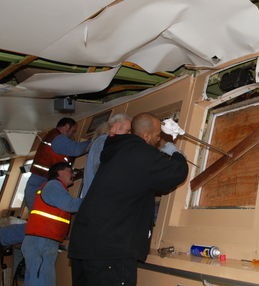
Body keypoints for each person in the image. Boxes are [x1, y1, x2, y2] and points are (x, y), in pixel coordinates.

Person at [68, 112, 188, 286]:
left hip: (84, 244)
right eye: (157, 136)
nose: (158, 141)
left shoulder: (115, 152)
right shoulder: (141, 153)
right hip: (110, 249)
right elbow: (175, 173)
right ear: (146, 136)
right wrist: (177, 155)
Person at [0, 117, 90, 260]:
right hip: (38, 186)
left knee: (38, 226)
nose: (73, 135)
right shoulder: (57, 139)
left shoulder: (55, 142)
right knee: (38, 227)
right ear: (66, 126)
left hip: (37, 185)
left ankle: (0, 237)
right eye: (73, 131)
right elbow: (76, 149)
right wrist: (96, 140)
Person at [22, 162, 82, 286]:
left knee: (35, 280)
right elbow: (70, 205)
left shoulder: (53, 187)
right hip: (42, 242)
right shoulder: (54, 185)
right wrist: (92, 200)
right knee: (42, 281)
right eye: (70, 171)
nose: (73, 174)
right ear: (59, 172)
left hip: (39, 241)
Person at [81, 113, 132, 198]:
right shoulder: (105, 140)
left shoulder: (101, 141)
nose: (129, 135)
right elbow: (101, 169)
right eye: (128, 130)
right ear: (117, 126)